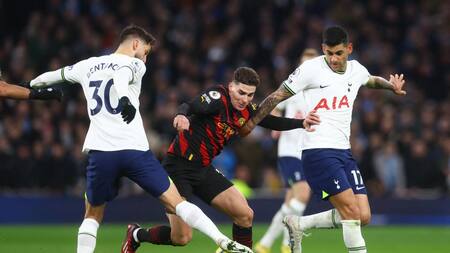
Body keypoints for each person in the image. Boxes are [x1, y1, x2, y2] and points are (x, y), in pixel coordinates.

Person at [29, 24, 253, 253]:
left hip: (101, 152)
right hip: (134, 151)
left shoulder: (87, 65)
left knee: (92, 215)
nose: (145, 59)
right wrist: (125, 99)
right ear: (136, 44)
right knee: (177, 203)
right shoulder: (134, 64)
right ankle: (221, 240)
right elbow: (120, 74)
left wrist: (33, 89)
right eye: (146, 52)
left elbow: (52, 76)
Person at [240, 26, 406, 253]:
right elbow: (277, 95)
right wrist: (252, 122)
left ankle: (299, 223)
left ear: (349, 49)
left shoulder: (356, 69)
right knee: (350, 214)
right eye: (329, 53)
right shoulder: (310, 69)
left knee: (363, 215)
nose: (333, 58)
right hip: (318, 151)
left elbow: (370, 80)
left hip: (344, 152)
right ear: (322, 49)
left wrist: (390, 86)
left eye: (338, 53)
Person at [122, 66, 321, 252]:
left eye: (250, 95)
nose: (244, 99)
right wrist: (182, 116)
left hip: (203, 169)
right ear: (231, 86)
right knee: (181, 238)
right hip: (178, 167)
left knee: (245, 214)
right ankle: (137, 234)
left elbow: (268, 120)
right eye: (241, 92)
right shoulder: (217, 97)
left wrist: (301, 123)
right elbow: (189, 106)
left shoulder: (245, 110)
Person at [254, 48, 319, 253]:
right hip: (290, 150)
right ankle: (287, 244)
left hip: (307, 151)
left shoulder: (320, 92)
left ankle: (265, 244)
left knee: (291, 201)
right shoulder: (293, 88)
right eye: (304, 63)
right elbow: (276, 106)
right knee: (303, 195)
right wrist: (275, 125)